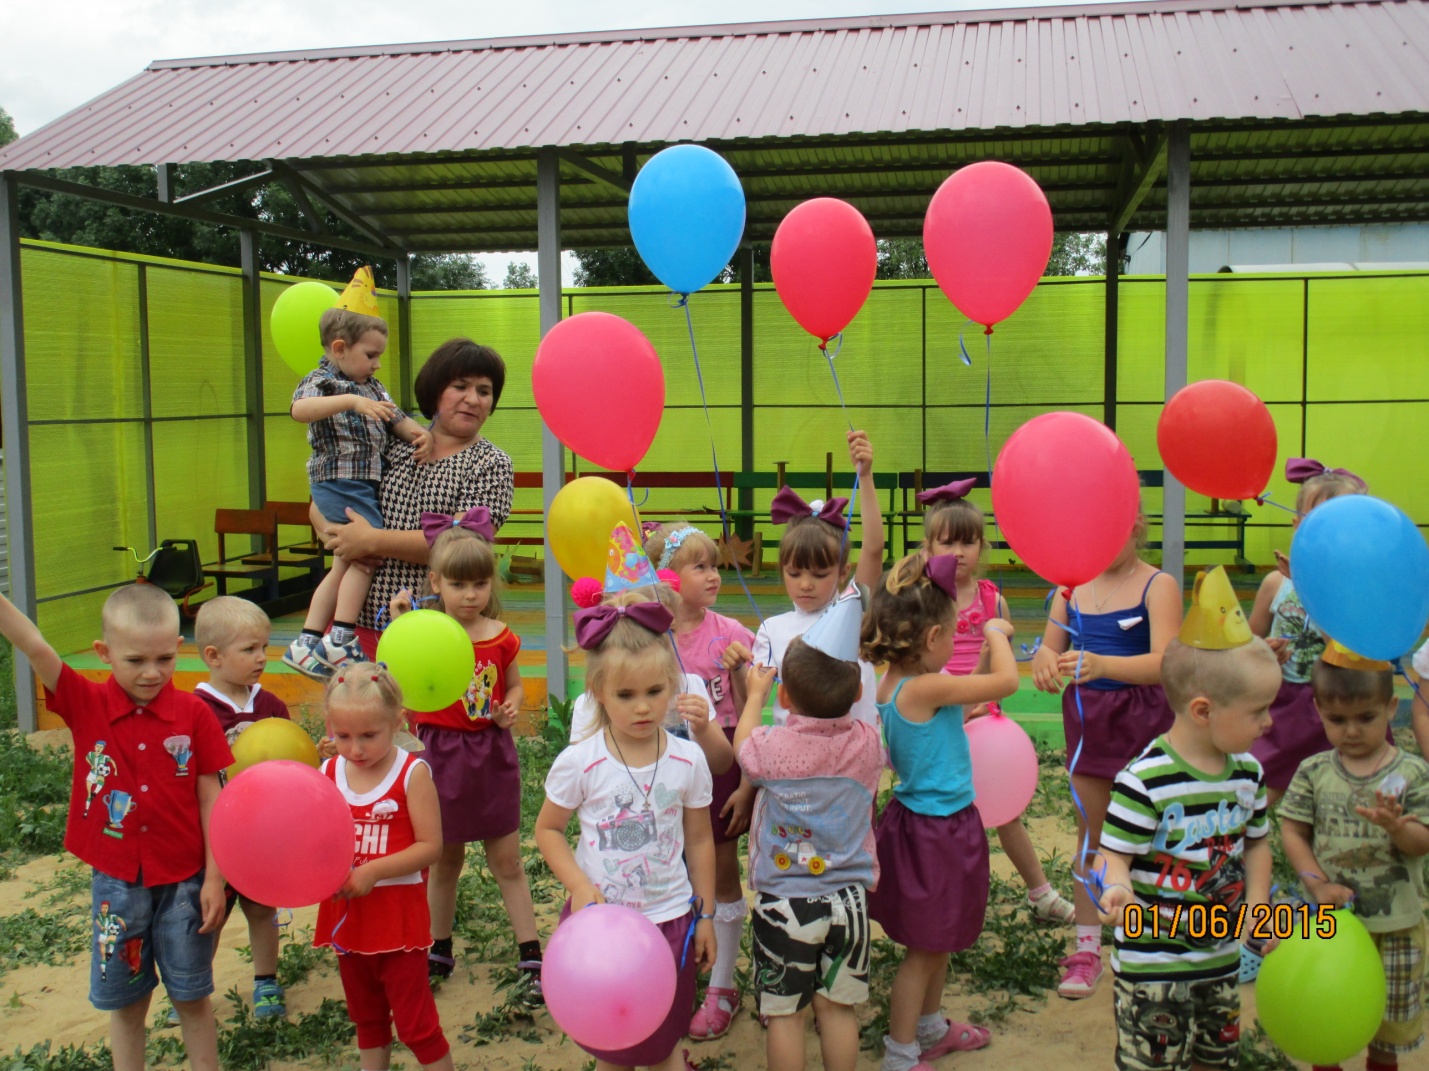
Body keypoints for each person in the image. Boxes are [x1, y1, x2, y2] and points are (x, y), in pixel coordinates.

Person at [0, 584, 231, 1071]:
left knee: (192, 997)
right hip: (117, 885)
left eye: (165, 658)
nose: (152, 672)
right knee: (127, 1005)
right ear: (104, 654)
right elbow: (36, 645)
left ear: (179, 648)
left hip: (186, 882)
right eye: (135, 660)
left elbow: (212, 797)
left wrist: (215, 877)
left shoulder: (194, 714)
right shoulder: (86, 702)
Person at [535, 527, 716, 1071]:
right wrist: (580, 887)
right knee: (613, 1048)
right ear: (597, 693)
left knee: (661, 1043)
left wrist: (704, 915)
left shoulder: (689, 760)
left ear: (672, 683)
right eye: (625, 695)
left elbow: (701, 839)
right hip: (601, 925)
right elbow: (547, 830)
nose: (643, 707)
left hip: (671, 921)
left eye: (655, 692)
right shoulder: (581, 761)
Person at [1096, 566, 1281, 1071]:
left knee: (1215, 1059)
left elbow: (1258, 842)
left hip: (1219, 962)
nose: (1269, 722)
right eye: (1259, 710)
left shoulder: (1248, 774)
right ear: (1203, 710)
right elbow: (1114, 852)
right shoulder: (1144, 781)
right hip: (1152, 968)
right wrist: (1116, 886)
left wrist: (1259, 905)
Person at [860, 551, 1020, 1071]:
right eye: (953, 635)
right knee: (925, 950)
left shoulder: (899, 681)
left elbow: (965, 690)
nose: (956, 643)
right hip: (938, 830)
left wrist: (975, 660)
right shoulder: (926, 686)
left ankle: (929, 1027)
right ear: (931, 641)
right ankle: (900, 1054)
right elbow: (1006, 683)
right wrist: (994, 632)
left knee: (939, 935)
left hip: (920, 822)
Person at [386, 510, 543, 1001]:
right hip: (438, 759)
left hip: (491, 757)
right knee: (444, 860)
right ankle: (439, 948)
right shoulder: (424, 630)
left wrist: (510, 707)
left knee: (509, 862)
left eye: (479, 583)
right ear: (436, 582)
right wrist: (401, 625)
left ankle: (531, 952)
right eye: (458, 584)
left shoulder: (501, 635)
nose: (470, 594)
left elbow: (514, 684)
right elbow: (398, 678)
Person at [1031, 516, 1182, 998]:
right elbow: (1048, 649)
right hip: (1088, 721)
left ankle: (1150, 936)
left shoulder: (1159, 585)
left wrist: (1104, 665)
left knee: (1153, 834)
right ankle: (1087, 948)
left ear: (1135, 525)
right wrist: (1042, 661)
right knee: (1091, 833)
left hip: (1145, 721)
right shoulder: (1068, 589)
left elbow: (1167, 663)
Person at [736, 591, 884, 1071]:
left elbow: (741, 746)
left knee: (784, 1015)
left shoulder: (771, 747)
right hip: (851, 901)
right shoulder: (867, 745)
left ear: (784, 696)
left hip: (785, 901)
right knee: (838, 1010)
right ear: (857, 694)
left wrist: (755, 694)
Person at [918, 478, 1074, 927]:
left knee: (1006, 814)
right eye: (947, 541)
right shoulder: (923, 598)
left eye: (968, 542)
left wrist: (981, 689)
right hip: (938, 718)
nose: (959, 552)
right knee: (941, 815)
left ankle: (1040, 892)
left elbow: (1004, 665)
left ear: (982, 547)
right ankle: (941, 902)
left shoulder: (992, 598)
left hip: (985, 717)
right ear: (928, 547)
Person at [315, 337, 516, 660]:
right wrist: (337, 534)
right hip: (358, 625)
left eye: (484, 391)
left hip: (441, 627)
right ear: (434, 391)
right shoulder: (390, 442)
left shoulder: (491, 463)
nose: (473, 399)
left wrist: (369, 541)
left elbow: (462, 545)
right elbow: (323, 499)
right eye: (460, 386)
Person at [1278, 641, 1429, 1071]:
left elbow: (1423, 841)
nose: (1351, 731)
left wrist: (1399, 827)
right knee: (1326, 1015)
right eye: (1337, 719)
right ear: (1318, 711)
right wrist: (1315, 883)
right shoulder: (1314, 771)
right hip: (1331, 928)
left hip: (1396, 926)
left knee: (1387, 1032)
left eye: (1365, 718)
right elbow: (1292, 829)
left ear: (1390, 706)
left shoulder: (1412, 773)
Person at [284, 267, 433, 679]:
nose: (377, 362)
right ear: (339, 348)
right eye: (370, 355)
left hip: (362, 484)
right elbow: (300, 411)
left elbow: (396, 419)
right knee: (365, 558)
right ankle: (342, 635)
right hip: (338, 482)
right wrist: (348, 401)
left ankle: (308, 640)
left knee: (344, 563)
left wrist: (420, 435)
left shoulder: (374, 388)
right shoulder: (324, 382)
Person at [643, 520, 754, 1040]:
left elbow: (755, 699)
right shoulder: (648, 633)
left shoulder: (730, 633)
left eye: (715, 565)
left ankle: (723, 985)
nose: (713, 574)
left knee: (721, 869)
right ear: (668, 577)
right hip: (660, 765)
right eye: (700, 565)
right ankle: (670, 975)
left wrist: (737, 673)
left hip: (718, 760)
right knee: (668, 868)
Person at [314, 663, 453, 1071]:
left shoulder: (412, 773)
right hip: (347, 918)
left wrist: (373, 872)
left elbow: (431, 846)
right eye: (343, 736)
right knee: (367, 1020)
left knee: (417, 1026)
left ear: (397, 722)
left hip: (398, 921)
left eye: (368, 736)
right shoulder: (327, 771)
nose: (355, 749)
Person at [191, 596, 291, 1019]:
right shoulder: (195, 710)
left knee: (262, 907)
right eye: (249, 649)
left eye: (263, 648)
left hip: (262, 832)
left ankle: (266, 981)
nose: (261, 658)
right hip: (212, 835)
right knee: (210, 910)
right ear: (213, 656)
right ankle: (193, 986)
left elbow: (289, 759)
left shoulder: (269, 706)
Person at [1249, 458, 1370, 807]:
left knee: (1342, 789)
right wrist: (1263, 651)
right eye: (1314, 522)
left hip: (1339, 701)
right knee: (1264, 783)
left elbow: (1352, 654)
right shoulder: (1275, 583)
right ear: (1295, 525)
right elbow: (1248, 641)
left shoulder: (1353, 589)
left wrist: (1311, 590)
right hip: (1283, 702)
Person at [752, 430, 885, 728]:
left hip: (854, 759)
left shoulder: (853, 611)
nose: (805, 584)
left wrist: (865, 477)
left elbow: (874, 548)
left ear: (843, 571)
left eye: (819, 573)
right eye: (794, 573)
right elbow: (755, 699)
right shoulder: (771, 630)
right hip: (795, 762)